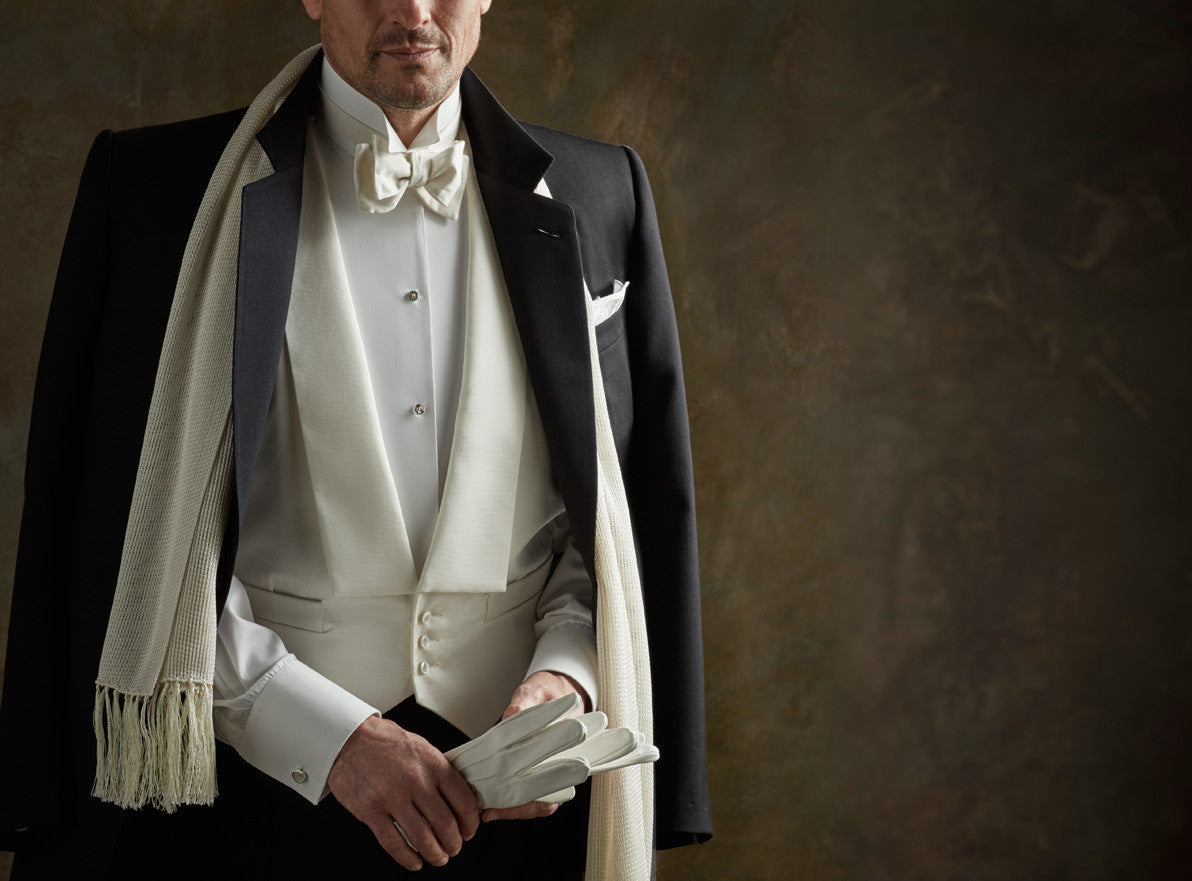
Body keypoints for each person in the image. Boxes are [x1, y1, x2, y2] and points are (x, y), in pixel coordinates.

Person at [0, 1, 712, 877]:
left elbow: (619, 508)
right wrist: (323, 733)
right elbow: (113, 521)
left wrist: (567, 678)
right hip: (242, 803)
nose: (413, 11)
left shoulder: (602, 191)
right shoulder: (154, 190)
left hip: (525, 817)